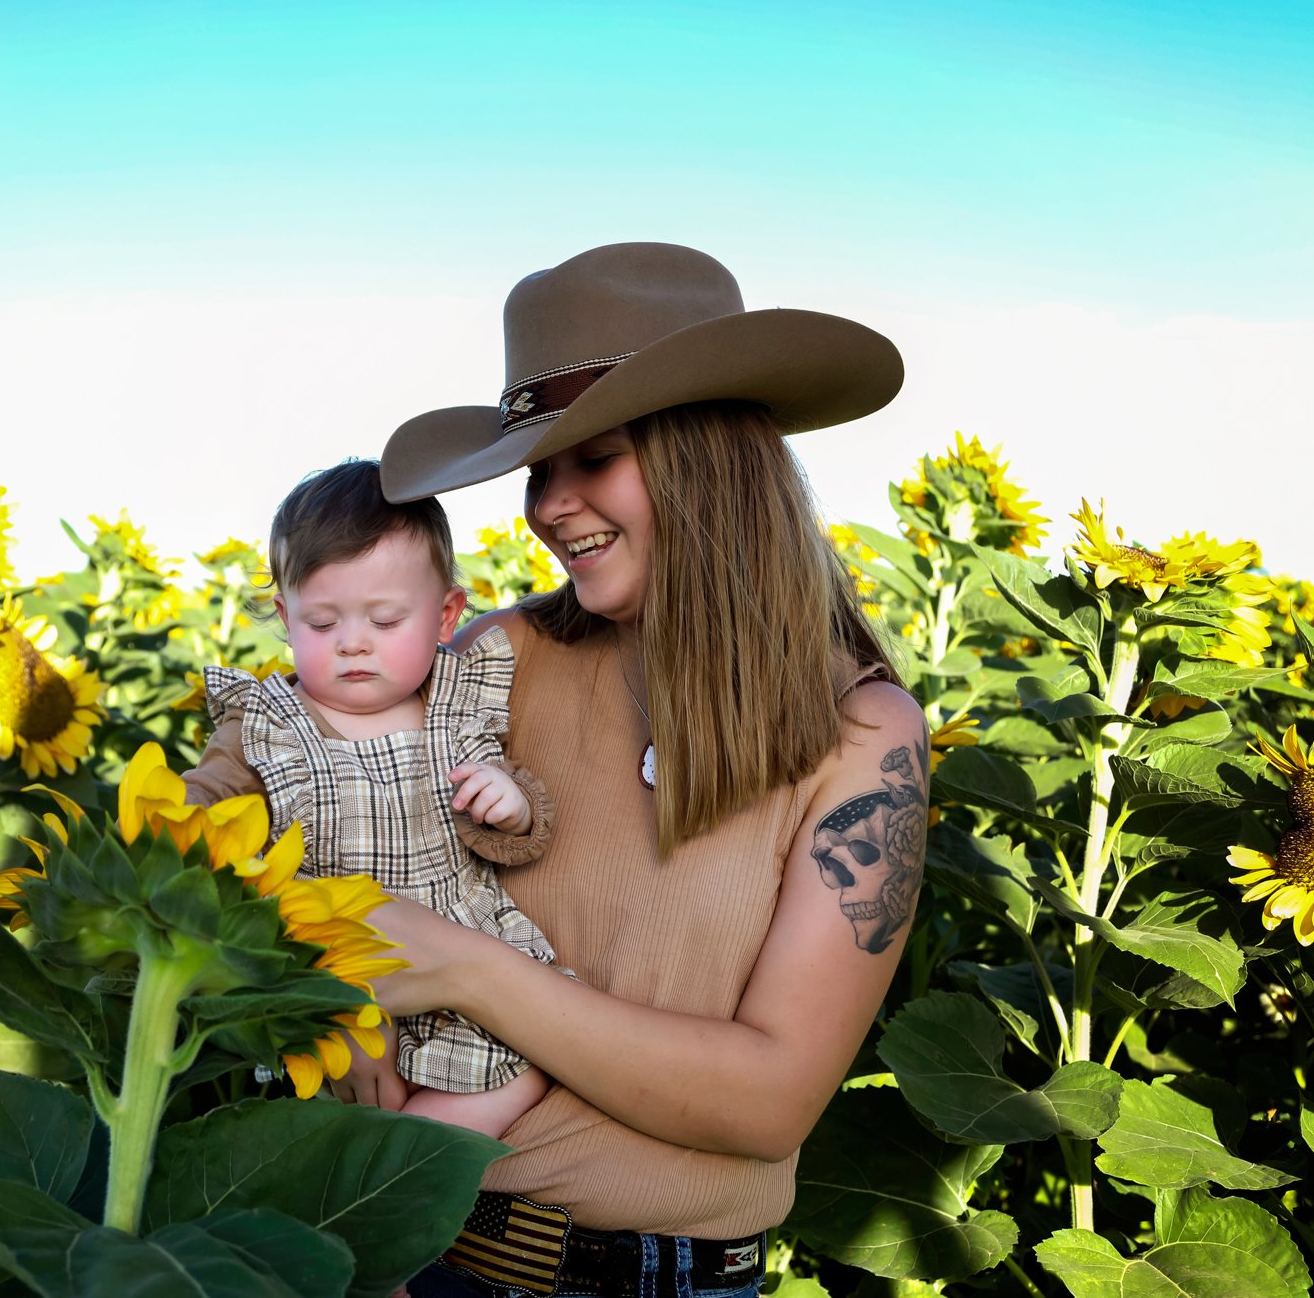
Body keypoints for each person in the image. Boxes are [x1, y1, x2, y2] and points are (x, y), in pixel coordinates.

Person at [350, 242, 925, 1297]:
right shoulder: (497, 659)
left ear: (705, 454)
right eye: (536, 471)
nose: (548, 505)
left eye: (592, 457)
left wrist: (471, 970)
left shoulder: (857, 732)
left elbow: (767, 1101)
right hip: (421, 1256)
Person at [182, 459, 558, 1138]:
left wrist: (512, 804)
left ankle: (421, 1157)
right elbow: (201, 806)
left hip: (463, 957)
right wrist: (180, 819)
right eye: (322, 622)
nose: (353, 643)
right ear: (284, 614)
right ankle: (364, 1171)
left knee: (532, 1059)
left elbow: (518, 835)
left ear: (446, 614)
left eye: (385, 620)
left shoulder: (457, 704)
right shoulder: (264, 723)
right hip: (331, 968)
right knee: (325, 1113)